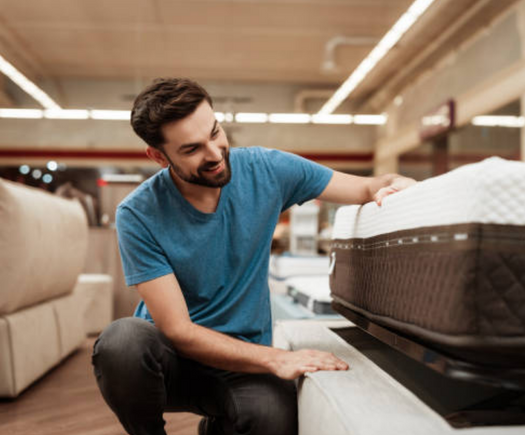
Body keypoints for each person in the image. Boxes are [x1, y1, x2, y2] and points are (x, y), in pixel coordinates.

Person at [91, 77, 416, 435]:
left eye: (215, 133)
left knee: (273, 418)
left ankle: (217, 427)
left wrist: (397, 186)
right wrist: (278, 358)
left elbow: (365, 186)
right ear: (158, 156)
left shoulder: (267, 170)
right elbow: (178, 331)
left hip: (240, 362)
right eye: (192, 149)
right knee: (121, 343)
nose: (214, 154)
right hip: (171, 365)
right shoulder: (138, 214)